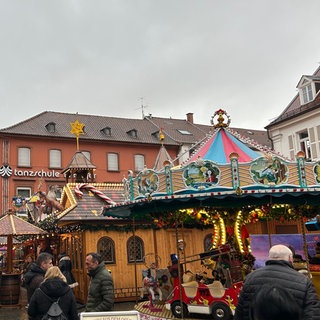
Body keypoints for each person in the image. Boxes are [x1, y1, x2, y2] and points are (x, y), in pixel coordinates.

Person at [234, 244, 320, 320]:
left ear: (269, 257)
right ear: (290, 258)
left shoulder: (250, 278)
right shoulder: (303, 281)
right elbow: (313, 314)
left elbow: (239, 312)